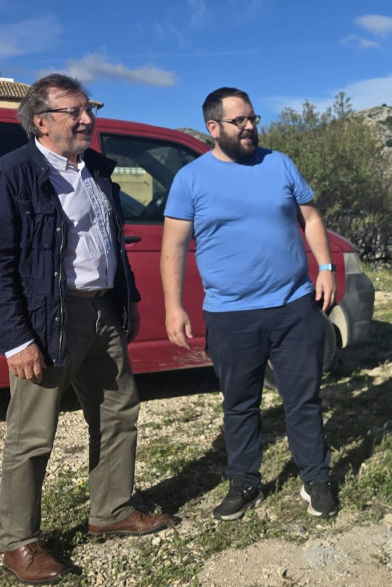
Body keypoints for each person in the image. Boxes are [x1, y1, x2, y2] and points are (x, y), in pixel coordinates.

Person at [0, 74, 171, 585]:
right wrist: (16, 339)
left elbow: (111, 243)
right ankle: (19, 543)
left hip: (102, 310)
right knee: (32, 436)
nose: (87, 119)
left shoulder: (96, 169)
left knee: (119, 412)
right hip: (47, 319)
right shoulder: (10, 175)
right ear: (41, 121)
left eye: (88, 109)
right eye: (74, 111)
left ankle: (111, 510)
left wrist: (129, 301)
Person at [161, 87, 339, 521]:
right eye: (239, 121)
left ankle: (316, 479)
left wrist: (326, 267)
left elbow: (310, 217)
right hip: (230, 314)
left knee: (303, 398)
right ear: (213, 127)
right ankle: (244, 483)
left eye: (252, 119)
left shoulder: (279, 164)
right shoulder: (190, 179)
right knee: (240, 404)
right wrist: (173, 306)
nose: (249, 127)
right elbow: (173, 246)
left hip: (294, 305)